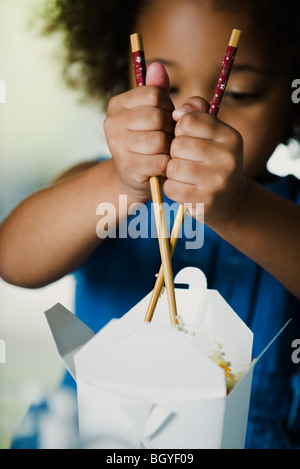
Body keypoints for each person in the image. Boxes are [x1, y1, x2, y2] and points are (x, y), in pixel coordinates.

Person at [1, 0, 300, 449]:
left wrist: (239, 208)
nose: (193, 115)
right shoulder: (96, 186)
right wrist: (121, 182)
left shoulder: (287, 215)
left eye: (238, 92)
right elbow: (14, 259)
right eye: (167, 87)